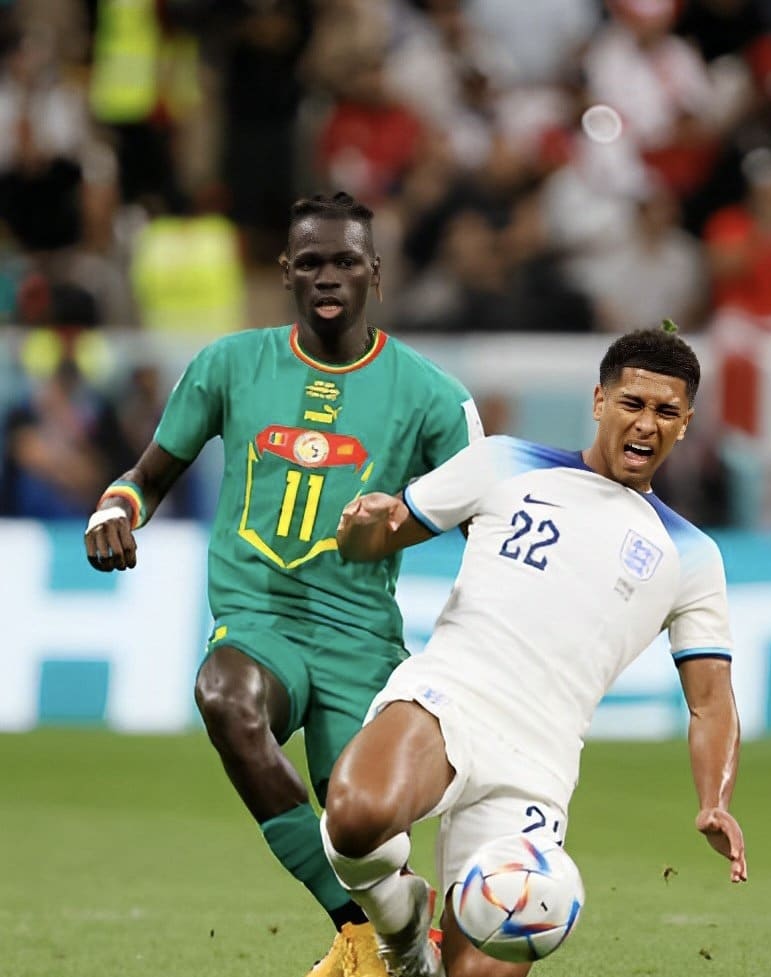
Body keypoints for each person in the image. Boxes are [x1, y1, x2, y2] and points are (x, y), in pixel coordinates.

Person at [83, 191, 484, 977]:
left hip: (361, 636)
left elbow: (487, 521)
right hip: (258, 618)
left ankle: (398, 940)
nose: (327, 276)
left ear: (375, 272)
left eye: (344, 261)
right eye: (310, 263)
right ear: (285, 273)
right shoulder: (229, 364)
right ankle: (356, 928)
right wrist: (114, 509)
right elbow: (148, 477)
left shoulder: (432, 395)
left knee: (360, 834)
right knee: (224, 696)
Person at [321, 324, 747, 977]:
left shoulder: (691, 555)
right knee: (356, 818)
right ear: (599, 400)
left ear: (685, 423)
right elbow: (378, 538)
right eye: (632, 403)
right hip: (449, 697)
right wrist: (359, 530)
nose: (646, 424)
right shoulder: (502, 462)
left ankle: (431, 951)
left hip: (539, 762)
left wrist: (714, 798)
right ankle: (403, 933)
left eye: (666, 412)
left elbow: (711, 702)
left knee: (482, 969)